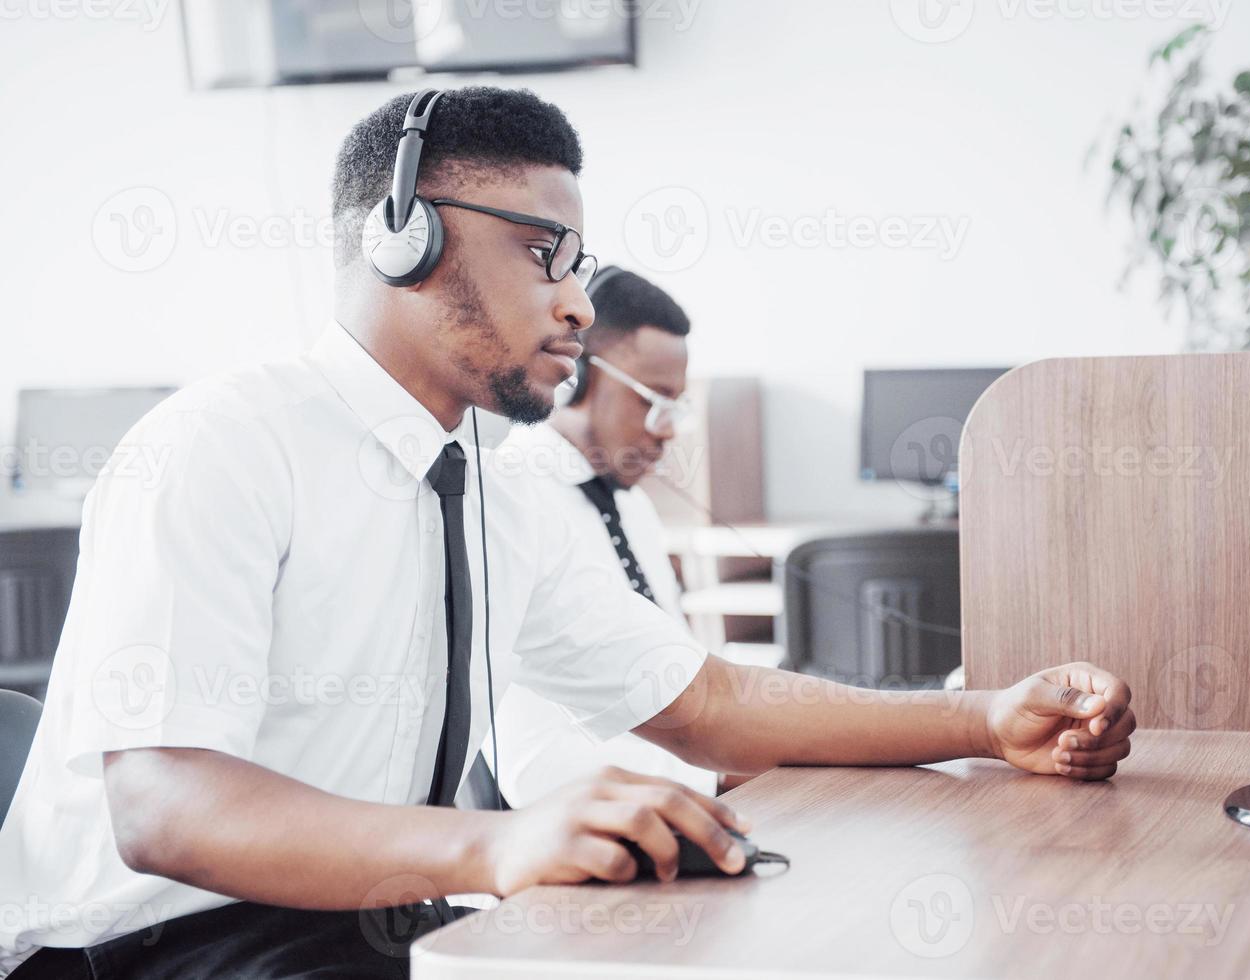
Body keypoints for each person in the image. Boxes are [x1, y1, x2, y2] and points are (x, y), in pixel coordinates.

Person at [0, 86, 1136, 979]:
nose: (578, 306)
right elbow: (163, 809)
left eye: (579, 264)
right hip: (148, 945)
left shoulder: (497, 487)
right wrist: (496, 845)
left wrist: (980, 719)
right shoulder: (219, 445)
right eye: (546, 250)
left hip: (368, 925)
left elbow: (706, 706)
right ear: (403, 234)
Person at [493, 266, 726, 804]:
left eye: (676, 407)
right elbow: (536, 760)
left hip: (675, 789)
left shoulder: (633, 507)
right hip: (580, 823)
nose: (667, 431)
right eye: (653, 400)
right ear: (579, 378)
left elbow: (676, 678)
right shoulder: (517, 501)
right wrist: (720, 774)